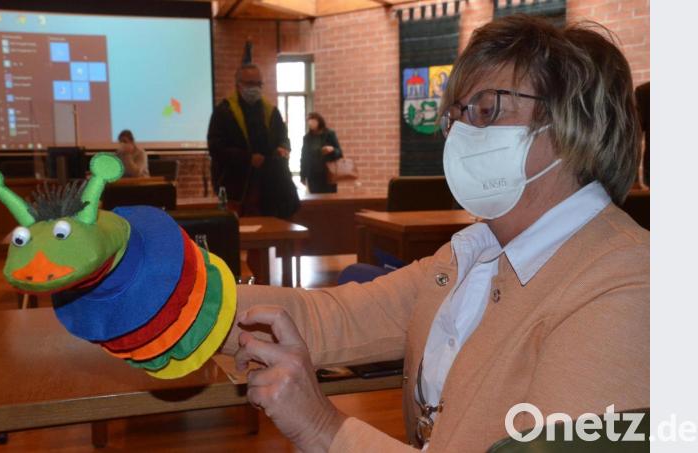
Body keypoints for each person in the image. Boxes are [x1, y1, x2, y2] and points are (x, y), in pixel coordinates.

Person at [222, 15, 648, 453]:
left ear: (571, 123)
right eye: (457, 116)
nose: (462, 132)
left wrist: (324, 428)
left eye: (487, 110)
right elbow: (327, 318)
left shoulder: (628, 285)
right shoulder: (471, 255)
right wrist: (180, 303)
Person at [207, 63, 298, 218]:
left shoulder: (270, 111)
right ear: (238, 85)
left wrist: (283, 148)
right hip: (237, 187)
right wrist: (248, 158)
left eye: (258, 84)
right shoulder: (224, 112)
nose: (254, 88)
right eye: (250, 84)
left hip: (271, 186)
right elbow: (216, 148)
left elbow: (283, 138)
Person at [300, 112, 344, 194]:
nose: (310, 122)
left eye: (312, 120)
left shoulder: (330, 134)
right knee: (315, 200)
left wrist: (332, 150)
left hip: (328, 173)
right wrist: (303, 175)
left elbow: (340, 153)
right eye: (308, 120)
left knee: (330, 200)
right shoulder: (307, 138)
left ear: (319, 121)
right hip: (313, 175)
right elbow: (304, 157)